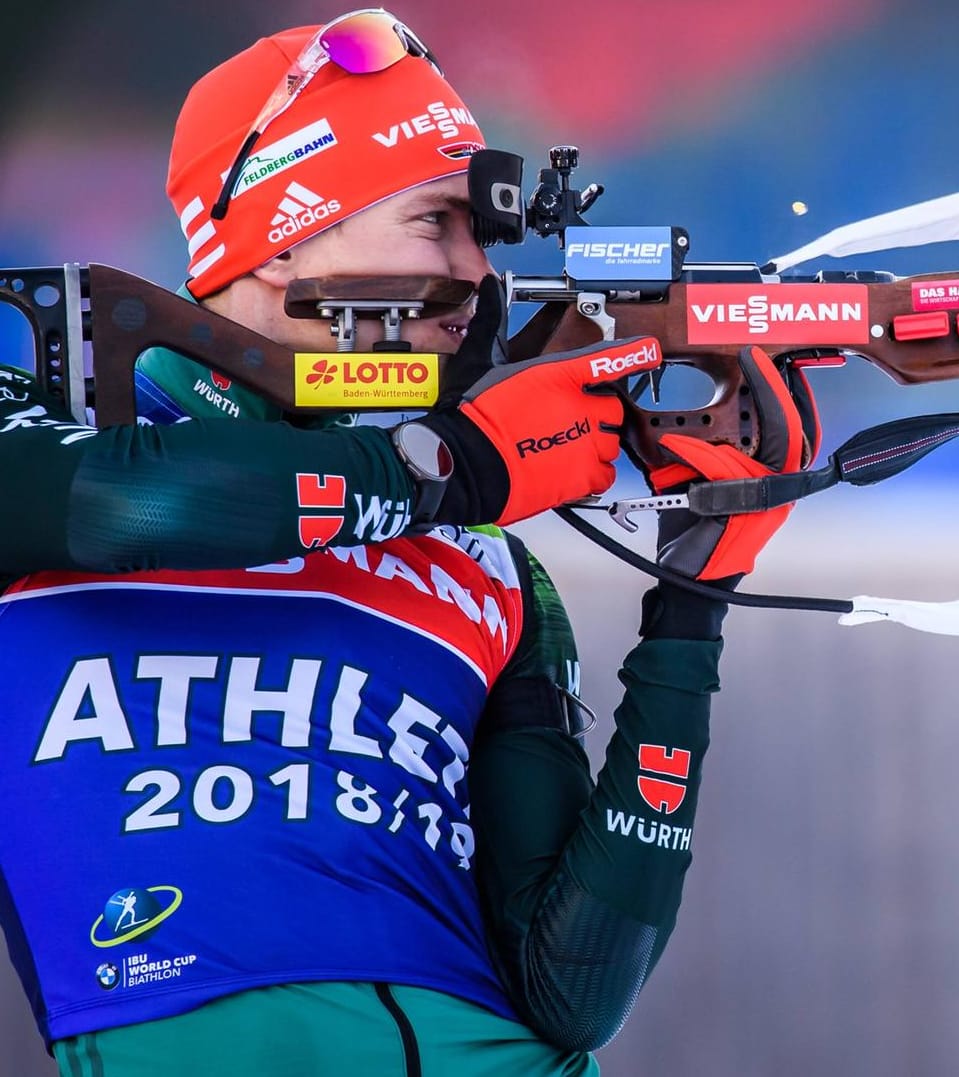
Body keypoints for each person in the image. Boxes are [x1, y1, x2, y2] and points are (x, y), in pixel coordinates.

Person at [0, 10, 811, 1076]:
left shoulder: (481, 559)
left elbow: (574, 994)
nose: (476, 272)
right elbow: (121, 503)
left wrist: (694, 604)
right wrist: (446, 469)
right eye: (439, 222)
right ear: (285, 228)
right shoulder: (45, 426)